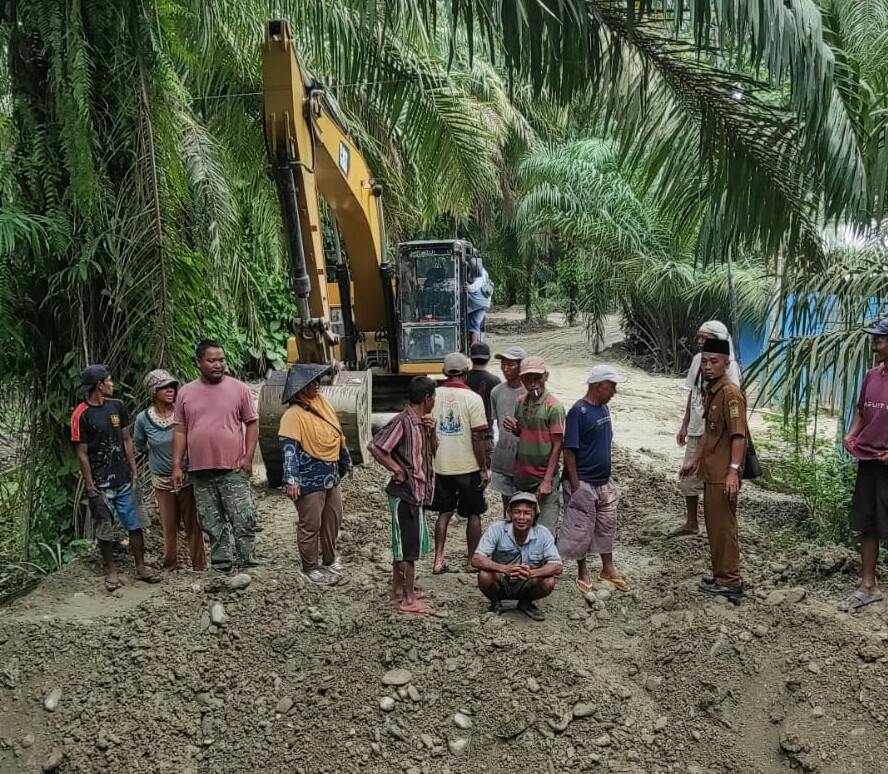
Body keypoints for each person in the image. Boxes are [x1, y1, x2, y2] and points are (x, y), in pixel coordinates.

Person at [71, 365, 161, 591]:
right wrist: (90, 485)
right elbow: (82, 453)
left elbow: (126, 440)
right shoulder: (80, 415)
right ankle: (111, 571)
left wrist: (134, 470)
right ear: (99, 385)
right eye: (109, 381)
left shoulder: (117, 406)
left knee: (135, 523)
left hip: (123, 479)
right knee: (104, 527)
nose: (112, 384)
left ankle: (141, 567)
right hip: (101, 483)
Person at [172, 340, 259, 575]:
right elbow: (180, 430)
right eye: (212, 360)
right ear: (198, 362)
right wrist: (177, 466)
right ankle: (221, 565)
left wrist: (248, 458)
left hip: (232, 468)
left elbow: (251, 423)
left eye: (221, 360)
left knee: (243, 517)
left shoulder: (239, 389)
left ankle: (248, 563)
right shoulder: (185, 393)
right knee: (211, 521)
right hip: (200, 470)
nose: (218, 365)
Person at [680, 339, 748, 599]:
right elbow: (710, 433)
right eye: (705, 361)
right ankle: (721, 574)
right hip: (711, 471)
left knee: (723, 527)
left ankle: (730, 581)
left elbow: (738, 436)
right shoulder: (713, 390)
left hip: (723, 475)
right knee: (714, 525)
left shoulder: (730, 394)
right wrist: (695, 460)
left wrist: (732, 471)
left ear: (726, 364)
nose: (708, 366)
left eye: (714, 361)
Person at [368, 376, 438, 614]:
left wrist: (432, 433)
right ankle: (408, 599)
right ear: (427, 399)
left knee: (404, 545)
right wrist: (396, 469)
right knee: (408, 548)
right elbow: (375, 446)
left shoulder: (420, 423)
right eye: (433, 398)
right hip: (405, 493)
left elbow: (432, 453)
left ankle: (399, 589)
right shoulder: (403, 421)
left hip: (415, 493)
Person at [278, 363, 352, 585]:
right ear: (300, 388)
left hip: (330, 475)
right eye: (311, 382)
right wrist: (292, 479)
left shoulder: (322, 405)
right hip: (309, 480)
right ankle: (309, 567)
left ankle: (329, 560)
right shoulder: (293, 415)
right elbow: (289, 450)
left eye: (318, 380)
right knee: (310, 523)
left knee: (332, 518)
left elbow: (337, 434)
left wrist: (344, 461)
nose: (317, 385)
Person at [558, 365, 628, 593]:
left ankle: (608, 567)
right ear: (599, 386)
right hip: (584, 481)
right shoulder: (579, 411)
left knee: (606, 525)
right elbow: (569, 450)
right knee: (581, 529)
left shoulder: (604, 408)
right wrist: (577, 485)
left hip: (603, 480)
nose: (614, 392)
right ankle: (583, 572)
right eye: (612, 386)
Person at [672, 321, 742, 538]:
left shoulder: (731, 373)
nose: (700, 342)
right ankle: (692, 521)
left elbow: (734, 413)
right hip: (697, 426)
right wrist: (685, 423)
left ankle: (721, 523)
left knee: (718, 480)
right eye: (700, 338)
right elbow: (692, 392)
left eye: (704, 338)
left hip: (717, 430)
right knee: (690, 477)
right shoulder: (698, 361)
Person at [133, 369, 207, 572]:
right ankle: (170, 565)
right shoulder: (143, 419)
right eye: (164, 387)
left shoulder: (183, 413)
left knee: (193, 524)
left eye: (172, 387)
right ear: (153, 391)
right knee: (169, 524)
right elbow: (139, 445)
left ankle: (199, 566)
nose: (170, 391)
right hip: (162, 480)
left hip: (187, 477)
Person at [838, 320, 888, 611]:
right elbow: (861, 410)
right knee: (868, 522)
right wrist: (853, 432)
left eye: (880, 340)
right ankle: (868, 586)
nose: (874, 345)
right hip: (869, 462)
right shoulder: (871, 376)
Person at [430, 352, 490, 574]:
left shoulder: (433, 396)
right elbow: (478, 437)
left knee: (443, 513)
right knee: (473, 514)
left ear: (445, 372)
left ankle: (438, 560)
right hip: (468, 466)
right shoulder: (473, 399)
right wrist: (483, 468)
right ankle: (472, 559)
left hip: (441, 465)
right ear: (466, 372)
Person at [471, 492, 562, 620]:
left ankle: (525, 603)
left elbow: (557, 566)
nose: (521, 517)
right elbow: (476, 559)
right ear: (510, 513)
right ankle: (495, 603)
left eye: (527, 513)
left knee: (549, 581)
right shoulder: (497, 529)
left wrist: (532, 573)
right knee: (484, 575)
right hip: (500, 581)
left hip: (528, 583)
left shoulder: (543, 533)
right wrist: (504, 569)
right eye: (517, 512)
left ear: (534, 515)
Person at [503, 356, 565, 533]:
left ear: (545, 376)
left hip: (543, 477)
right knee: (521, 528)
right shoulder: (521, 402)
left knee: (544, 530)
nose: (533, 383)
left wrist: (547, 480)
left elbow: (557, 445)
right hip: (522, 476)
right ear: (521, 379)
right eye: (527, 378)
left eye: (537, 377)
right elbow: (523, 433)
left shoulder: (554, 407)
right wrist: (514, 428)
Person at [489, 346, 528, 515]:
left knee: (526, 506)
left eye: (511, 365)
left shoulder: (530, 394)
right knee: (508, 508)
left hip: (527, 460)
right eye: (503, 364)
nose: (505, 368)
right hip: (504, 458)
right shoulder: (496, 392)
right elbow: (496, 424)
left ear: (522, 366)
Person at [465, 341, 501, 468]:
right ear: (489, 358)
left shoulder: (462, 379)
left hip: (464, 438)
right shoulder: (495, 381)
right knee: (484, 477)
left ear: (470, 357)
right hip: (485, 437)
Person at [464, 253, 493, 345]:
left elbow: (477, 285)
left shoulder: (478, 270)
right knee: (475, 323)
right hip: (485, 302)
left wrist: (469, 288)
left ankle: (472, 345)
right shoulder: (482, 270)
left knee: (462, 316)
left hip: (477, 300)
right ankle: (475, 345)